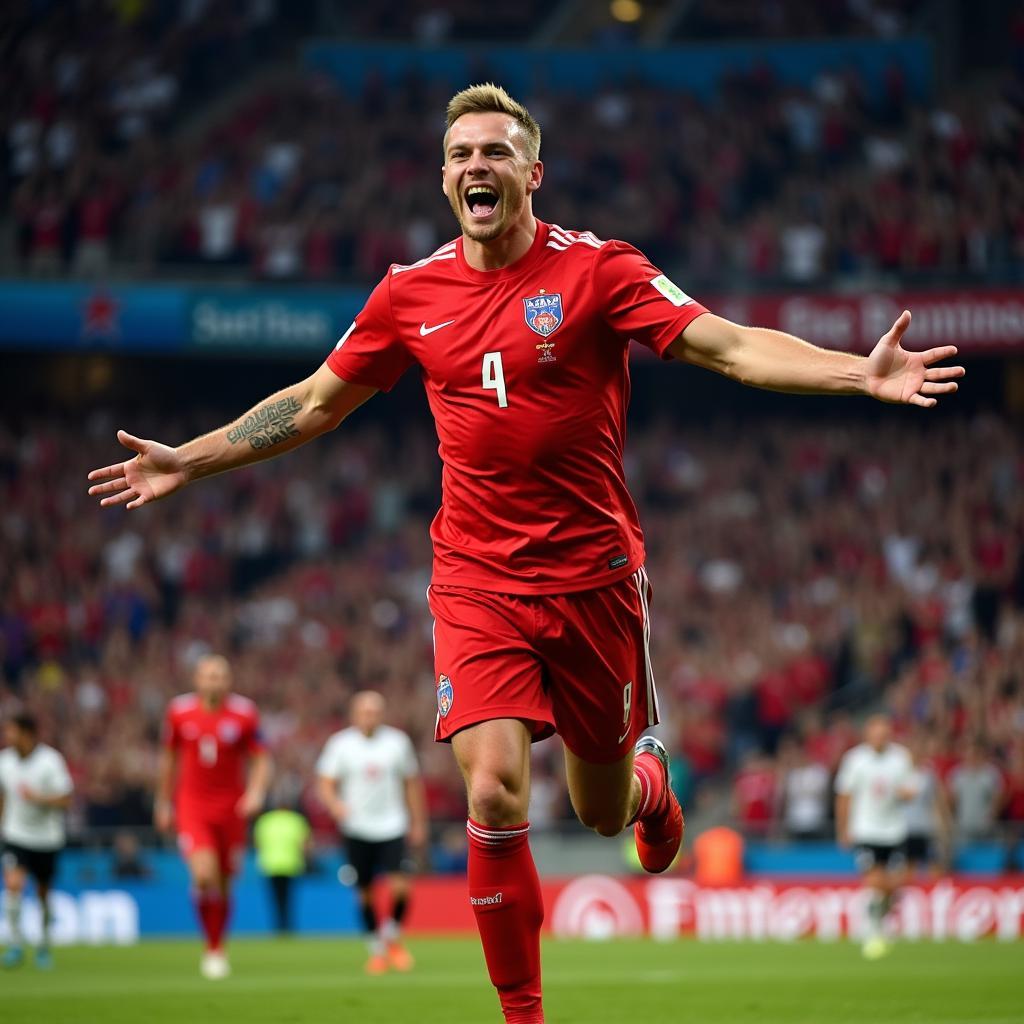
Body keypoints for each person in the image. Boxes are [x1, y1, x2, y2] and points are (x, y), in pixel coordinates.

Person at [87, 83, 963, 1021]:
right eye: (461, 154)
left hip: (594, 583)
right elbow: (310, 404)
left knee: (599, 806)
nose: (477, 166)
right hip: (476, 581)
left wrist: (852, 372)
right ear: (443, 178)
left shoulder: (597, 271)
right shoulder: (407, 294)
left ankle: (651, 785)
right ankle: (524, 1016)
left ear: (532, 173)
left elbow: (729, 348)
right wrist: (192, 459)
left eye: (496, 152)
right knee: (496, 792)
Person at [155, 654, 270, 979]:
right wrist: (162, 803)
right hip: (192, 805)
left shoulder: (244, 713)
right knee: (203, 874)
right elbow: (168, 759)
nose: (214, 681)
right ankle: (212, 947)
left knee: (224, 881)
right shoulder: (179, 712)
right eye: (208, 676)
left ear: (228, 680)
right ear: (197, 680)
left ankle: (218, 946)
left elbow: (261, 759)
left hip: (231, 808)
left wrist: (255, 792)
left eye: (220, 675)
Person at [316, 691, 427, 974]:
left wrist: (417, 822)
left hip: (392, 824)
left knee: (401, 887)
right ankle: (377, 949)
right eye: (364, 711)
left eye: (375, 711)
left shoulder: (397, 743)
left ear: (383, 713)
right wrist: (335, 804)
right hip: (357, 827)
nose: (370, 716)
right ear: (354, 714)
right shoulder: (340, 744)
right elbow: (325, 782)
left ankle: (391, 935)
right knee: (364, 892)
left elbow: (412, 784)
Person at [835, 715, 917, 960]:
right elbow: (844, 795)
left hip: (895, 830)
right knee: (875, 880)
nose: (880, 738)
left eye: (884, 734)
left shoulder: (901, 757)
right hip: (866, 829)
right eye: (875, 734)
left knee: (894, 885)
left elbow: (911, 790)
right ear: (867, 735)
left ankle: (879, 921)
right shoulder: (855, 760)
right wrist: (843, 828)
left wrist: (905, 794)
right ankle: (872, 931)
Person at [0, 712, 74, 970]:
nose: (7, 736)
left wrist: (38, 798)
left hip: (47, 839)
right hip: (16, 835)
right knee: (13, 885)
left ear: (27, 733)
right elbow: (2, 796)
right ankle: (16, 944)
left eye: (11, 731)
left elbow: (66, 799)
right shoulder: (5, 762)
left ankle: (43, 944)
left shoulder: (50, 761)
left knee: (43, 894)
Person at [253, 799, 311, 935]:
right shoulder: (296, 820)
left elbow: (257, 843)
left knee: (275, 898)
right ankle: (288, 926)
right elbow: (305, 845)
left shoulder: (265, 820)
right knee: (289, 898)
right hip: (291, 864)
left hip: (270, 865)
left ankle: (278, 926)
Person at [903, 735, 952, 877]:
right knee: (908, 868)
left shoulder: (928, 775)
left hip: (926, 828)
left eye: (919, 750)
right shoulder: (900, 775)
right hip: (906, 829)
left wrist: (944, 825)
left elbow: (938, 801)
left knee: (935, 866)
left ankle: (936, 896)